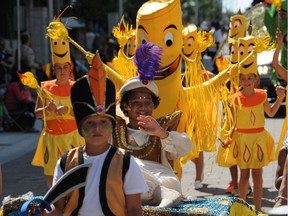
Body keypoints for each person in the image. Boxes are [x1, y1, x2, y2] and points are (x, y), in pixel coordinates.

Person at [45, 57, 148, 215]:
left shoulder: (125, 162)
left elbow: (134, 208)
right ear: (80, 128)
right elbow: (58, 206)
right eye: (90, 123)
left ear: (112, 126)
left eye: (103, 122)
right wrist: (42, 212)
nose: (97, 128)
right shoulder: (66, 161)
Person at [114, 42, 193, 207]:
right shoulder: (115, 130)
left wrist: (161, 133)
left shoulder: (163, 127)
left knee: (169, 183)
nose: (143, 108)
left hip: (162, 181)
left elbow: (186, 147)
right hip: (124, 183)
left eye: (148, 103)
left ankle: (163, 198)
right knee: (128, 167)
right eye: (136, 103)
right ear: (126, 106)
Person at [220, 36, 286, 211]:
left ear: (256, 79)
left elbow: (271, 112)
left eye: (250, 78)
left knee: (258, 176)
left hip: (257, 138)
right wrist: (228, 138)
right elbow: (232, 123)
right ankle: (243, 208)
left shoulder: (262, 95)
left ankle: (256, 210)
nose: (247, 81)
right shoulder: (234, 99)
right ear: (239, 80)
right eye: (244, 79)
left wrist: (280, 98)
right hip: (242, 140)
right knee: (243, 176)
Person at [31, 18, 85, 188]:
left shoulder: (77, 87)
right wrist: (48, 108)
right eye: (58, 68)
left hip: (72, 136)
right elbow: (37, 114)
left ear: (70, 68)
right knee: (52, 179)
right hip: (51, 138)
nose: (62, 71)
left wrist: (67, 110)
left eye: (65, 67)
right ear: (53, 69)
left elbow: (84, 112)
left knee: (76, 175)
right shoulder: (45, 87)